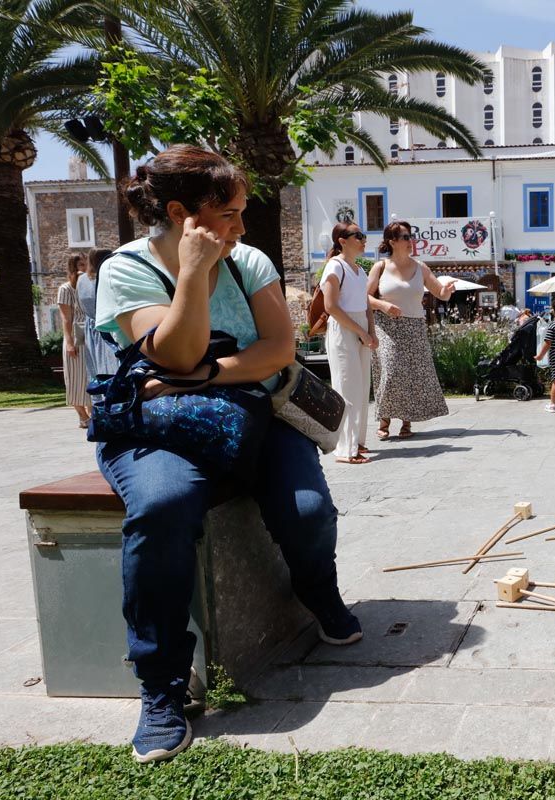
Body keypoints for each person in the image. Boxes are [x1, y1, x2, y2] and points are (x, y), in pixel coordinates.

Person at [94, 145, 361, 764]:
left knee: (307, 509)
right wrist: (190, 273)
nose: (242, 228)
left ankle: (318, 592)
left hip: (258, 415)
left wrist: (209, 372)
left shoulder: (248, 261)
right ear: (182, 212)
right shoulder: (126, 270)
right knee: (163, 506)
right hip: (157, 429)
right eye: (230, 214)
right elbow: (171, 354)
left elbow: (276, 350)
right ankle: (161, 685)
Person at [366, 220, 455, 439]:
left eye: (411, 237)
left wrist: (447, 291)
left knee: (412, 374)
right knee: (391, 370)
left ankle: (407, 422)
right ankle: (385, 418)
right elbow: (364, 297)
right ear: (392, 241)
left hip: (414, 326)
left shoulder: (420, 267)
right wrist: (382, 305)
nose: (410, 241)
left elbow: (440, 293)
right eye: (405, 237)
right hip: (387, 326)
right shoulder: (380, 267)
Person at [321, 221, 376, 464]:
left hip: (360, 327)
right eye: (358, 235)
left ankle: (357, 442)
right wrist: (361, 332)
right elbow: (331, 307)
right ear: (342, 241)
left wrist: (370, 332)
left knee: (362, 387)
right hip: (343, 329)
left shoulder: (360, 270)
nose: (363, 239)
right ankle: (345, 448)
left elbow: (366, 305)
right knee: (346, 388)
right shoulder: (335, 267)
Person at [57, 253, 91, 427]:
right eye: (80, 265)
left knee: (90, 376)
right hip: (74, 337)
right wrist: (69, 342)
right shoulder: (65, 289)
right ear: (73, 267)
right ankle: (83, 416)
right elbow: (66, 319)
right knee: (75, 378)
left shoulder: (89, 286)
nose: (84, 269)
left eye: (85, 264)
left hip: (90, 336)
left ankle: (92, 414)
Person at [79, 248, 120, 380]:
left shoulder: (81, 280)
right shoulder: (109, 276)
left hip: (91, 327)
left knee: (96, 367)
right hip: (109, 325)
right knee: (112, 366)